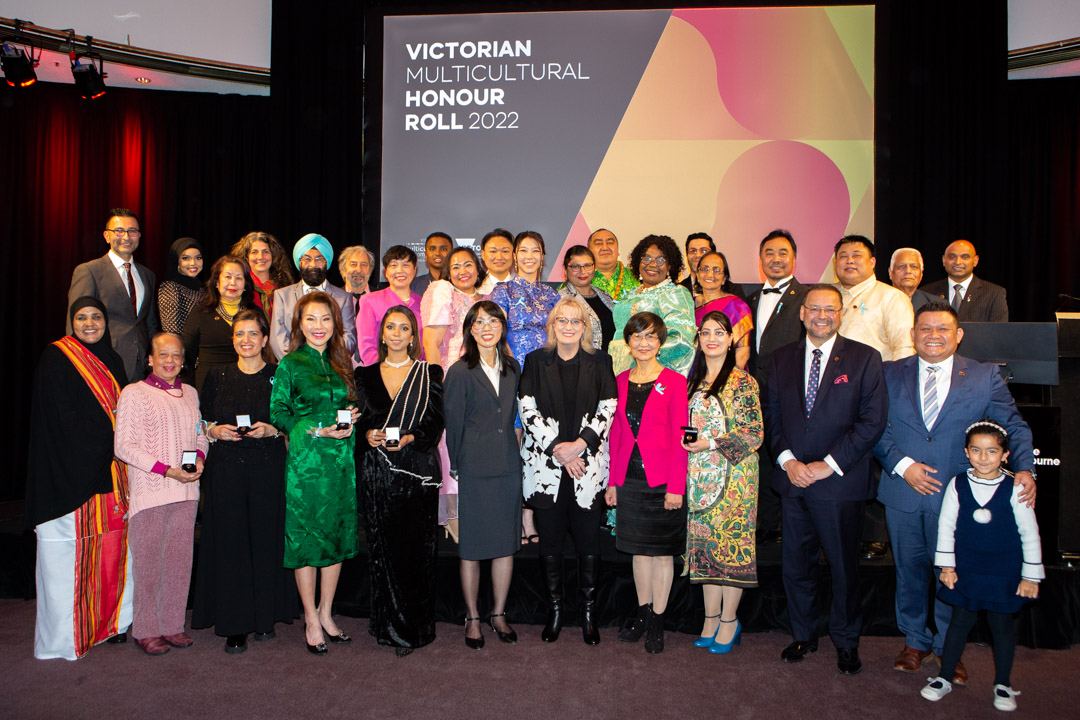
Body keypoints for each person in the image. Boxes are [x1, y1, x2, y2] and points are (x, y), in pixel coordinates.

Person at [873, 302, 1036, 683]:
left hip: (960, 498)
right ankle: (915, 641)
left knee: (952, 573)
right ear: (912, 335)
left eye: (942, 329)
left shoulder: (983, 376)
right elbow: (874, 427)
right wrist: (903, 466)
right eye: (925, 329)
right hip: (903, 491)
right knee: (909, 572)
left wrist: (1025, 467)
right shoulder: (888, 373)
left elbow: (1013, 423)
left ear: (958, 335)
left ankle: (950, 648)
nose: (933, 336)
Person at [764, 284, 888, 675]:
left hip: (840, 482)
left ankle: (847, 641)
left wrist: (827, 464)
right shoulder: (780, 358)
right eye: (814, 308)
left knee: (843, 568)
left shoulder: (866, 358)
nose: (822, 315)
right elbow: (772, 417)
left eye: (830, 309)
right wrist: (787, 461)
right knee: (796, 566)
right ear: (802, 313)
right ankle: (803, 634)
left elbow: (872, 423)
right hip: (794, 480)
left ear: (842, 313)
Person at [27, 297, 132, 660]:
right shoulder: (56, 358)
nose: (90, 323)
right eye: (82, 317)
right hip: (71, 478)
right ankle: (67, 638)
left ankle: (110, 625)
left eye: (97, 317)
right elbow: (60, 418)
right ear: (72, 321)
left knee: (113, 555)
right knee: (73, 561)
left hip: (110, 475)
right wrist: (113, 432)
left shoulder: (113, 358)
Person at [192, 309, 297, 655]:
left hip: (267, 467)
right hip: (226, 470)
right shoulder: (217, 375)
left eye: (253, 334)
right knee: (232, 544)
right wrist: (211, 430)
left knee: (265, 541)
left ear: (265, 340)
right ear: (232, 339)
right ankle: (235, 624)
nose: (246, 340)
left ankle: (264, 618)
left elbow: (292, 421)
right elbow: (199, 421)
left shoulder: (279, 374)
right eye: (240, 334)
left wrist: (274, 429)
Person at [920, 421, 1042, 712]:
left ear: (1005, 455)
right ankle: (945, 677)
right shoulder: (957, 484)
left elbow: (1029, 531)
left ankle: (1002, 683)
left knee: (1001, 627)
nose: (983, 457)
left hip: (1004, 571)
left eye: (991, 451)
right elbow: (946, 526)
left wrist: (1030, 576)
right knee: (959, 623)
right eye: (976, 450)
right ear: (967, 452)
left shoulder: (1015, 487)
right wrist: (947, 568)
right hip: (968, 568)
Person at [519, 298, 617, 645]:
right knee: (550, 543)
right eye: (562, 320)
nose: (569, 327)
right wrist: (560, 449)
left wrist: (580, 444)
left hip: (586, 469)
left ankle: (588, 613)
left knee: (589, 542)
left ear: (585, 327)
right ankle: (556, 610)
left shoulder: (599, 361)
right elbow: (526, 408)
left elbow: (609, 406)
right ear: (552, 325)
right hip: (546, 468)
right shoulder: (534, 360)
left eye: (576, 321)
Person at [269, 292, 360, 655]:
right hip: (306, 465)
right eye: (311, 319)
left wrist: (351, 419)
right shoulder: (290, 364)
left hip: (340, 462)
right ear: (299, 324)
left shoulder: (343, 361)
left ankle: (326, 612)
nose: (318, 326)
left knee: (336, 536)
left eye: (325, 319)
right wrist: (315, 427)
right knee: (306, 538)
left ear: (335, 323)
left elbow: (350, 403)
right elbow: (279, 413)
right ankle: (309, 616)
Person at [355, 307, 444, 657]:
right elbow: (359, 422)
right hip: (378, 473)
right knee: (382, 552)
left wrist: (408, 439)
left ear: (413, 336)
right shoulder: (364, 375)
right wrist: (370, 434)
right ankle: (385, 624)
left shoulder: (429, 373)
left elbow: (436, 422)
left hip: (416, 473)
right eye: (390, 327)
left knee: (416, 552)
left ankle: (413, 629)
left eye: (403, 328)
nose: (396, 333)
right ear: (382, 334)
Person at [114, 333, 208, 656]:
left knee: (180, 562)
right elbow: (124, 447)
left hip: (187, 491)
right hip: (151, 491)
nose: (170, 361)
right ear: (150, 359)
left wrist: (199, 460)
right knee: (149, 562)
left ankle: (172, 625)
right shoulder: (134, 394)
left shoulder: (191, 394)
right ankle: (145, 629)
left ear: (184, 361)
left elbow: (201, 435)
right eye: (163, 355)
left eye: (176, 355)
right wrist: (166, 470)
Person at [606, 312, 689, 654]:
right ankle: (642, 615)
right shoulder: (621, 380)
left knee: (662, 554)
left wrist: (676, 487)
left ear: (661, 342)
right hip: (629, 478)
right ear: (628, 342)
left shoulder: (675, 381)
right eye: (637, 337)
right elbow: (615, 435)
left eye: (651, 337)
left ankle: (658, 620)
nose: (643, 343)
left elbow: (681, 437)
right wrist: (612, 481)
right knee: (639, 552)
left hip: (662, 480)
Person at [682, 310, 763, 653]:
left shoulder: (743, 381)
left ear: (731, 339)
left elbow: (754, 433)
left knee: (731, 549)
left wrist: (711, 443)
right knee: (703, 550)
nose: (712, 338)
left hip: (736, 478)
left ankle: (730, 620)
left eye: (719, 332)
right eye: (706, 333)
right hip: (699, 478)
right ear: (698, 339)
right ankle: (710, 618)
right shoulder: (691, 380)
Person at [444, 302, 522, 650]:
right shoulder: (460, 371)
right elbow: (454, 425)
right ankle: (473, 616)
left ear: (502, 327)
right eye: (479, 322)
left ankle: (499, 614)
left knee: (505, 545)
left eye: (493, 321)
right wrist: (457, 468)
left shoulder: (514, 368)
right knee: (472, 547)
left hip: (507, 466)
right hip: (473, 468)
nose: (486, 327)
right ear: (470, 330)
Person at [748, 230, 809, 544]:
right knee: (761, 459)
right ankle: (765, 523)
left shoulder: (806, 299)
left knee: (786, 455)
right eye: (769, 253)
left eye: (782, 252)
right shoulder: (753, 298)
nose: (775, 258)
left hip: (789, 393)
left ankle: (787, 527)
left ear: (794, 259)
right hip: (756, 394)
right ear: (760, 260)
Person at [421, 245, 486, 539]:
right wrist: (440, 386)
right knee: (450, 451)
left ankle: (474, 513)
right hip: (453, 381)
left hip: (483, 384)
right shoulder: (443, 291)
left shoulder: (487, 299)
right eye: (456, 266)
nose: (462, 271)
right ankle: (452, 519)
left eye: (468, 264)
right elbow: (431, 342)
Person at [67, 208, 159, 382]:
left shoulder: (148, 275)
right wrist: (78, 364)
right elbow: (75, 323)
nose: (126, 237)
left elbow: (150, 323)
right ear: (106, 236)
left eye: (132, 231)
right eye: (119, 231)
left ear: (139, 236)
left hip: (142, 370)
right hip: (102, 365)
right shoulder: (89, 271)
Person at [609, 235, 696, 375]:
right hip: (620, 371)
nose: (652, 264)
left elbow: (681, 339)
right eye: (646, 258)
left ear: (670, 266)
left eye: (660, 260)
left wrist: (642, 355)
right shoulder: (631, 293)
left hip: (651, 373)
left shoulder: (674, 293)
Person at [270, 233, 357, 361]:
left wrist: (324, 363)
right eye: (307, 259)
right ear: (299, 262)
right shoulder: (283, 295)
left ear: (326, 262)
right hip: (293, 370)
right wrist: (299, 365)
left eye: (319, 259)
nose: (313, 264)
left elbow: (349, 338)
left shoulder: (343, 298)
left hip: (330, 369)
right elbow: (277, 339)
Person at [833, 235, 915, 361]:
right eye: (843, 256)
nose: (849, 260)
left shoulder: (892, 297)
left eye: (856, 255)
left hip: (874, 378)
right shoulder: (825, 295)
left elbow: (904, 348)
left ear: (872, 262)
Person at [182, 255, 253, 393]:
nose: (233, 282)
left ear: (245, 284)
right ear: (216, 282)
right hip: (209, 388)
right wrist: (187, 393)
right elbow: (186, 358)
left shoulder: (254, 314)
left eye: (239, 278)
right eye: (227, 277)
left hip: (247, 387)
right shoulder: (200, 313)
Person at [491, 230, 561, 364]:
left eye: (535, 251)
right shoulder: (503, 292)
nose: (530, 256)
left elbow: (560, 333)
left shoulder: (552, 294)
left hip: (548, 365)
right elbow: (497, 333)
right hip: (514, 365)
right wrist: (512, 367)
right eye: (523, 250)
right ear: (514, 256)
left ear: (542, 257)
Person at [357, 245, 423, 366]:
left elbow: (425, 346)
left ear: (415, 269)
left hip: (416, 373)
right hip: (382, 374)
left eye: (406, 265)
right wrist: (390, 370)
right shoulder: (370, 301)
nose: (400, 270)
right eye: (394, 265)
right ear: (386, 271)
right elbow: (367, 347)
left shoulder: (423, 303)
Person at [921, 239, 1009, 322]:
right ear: (944, 260)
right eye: (952, 257)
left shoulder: (994, 293)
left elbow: (998, 333)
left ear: (975, 261)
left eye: (965, 257)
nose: (958, 262)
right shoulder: (926, 292)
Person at [694, 251, 753, 369]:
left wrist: (724, 382)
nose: (710, 275)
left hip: (727, 377)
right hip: (692, 375)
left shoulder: (737, 306)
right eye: (705, 269)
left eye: (716, 270)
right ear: (698, 275)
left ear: (724, 278)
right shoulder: (688, 304)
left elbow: (742, 353)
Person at [558, 245, 615, 352]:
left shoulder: (606, 297)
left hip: (609, 364)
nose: (582, 271)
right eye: (575, 266)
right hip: (581, 364)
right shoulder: (560, 299)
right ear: (565, 269)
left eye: (587, 265)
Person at [231, 231, 295, 321]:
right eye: (254, 252)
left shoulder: (285, 286)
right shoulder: (240, 286)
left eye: (265, 252)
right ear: (246, 257)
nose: (260, 257)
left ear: (273, 255)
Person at [157, 237, 205, 335]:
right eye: (186, 258)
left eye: (198, 258)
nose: (193, 263)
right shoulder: (170, 287)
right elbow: (171, 331)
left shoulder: (203, 289)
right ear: (177, 261)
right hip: (183, 347)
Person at [588, 228, 639, 300]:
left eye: (610, 243)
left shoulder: (636, 276)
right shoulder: (581, 280)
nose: (605, 248)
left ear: (618, 250)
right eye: (599, 243)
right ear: (589, 252)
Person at [888, 248, 936, 312]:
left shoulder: (936, 305)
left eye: (914, 266)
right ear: (890, 273)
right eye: (901, 266)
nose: (908, 271)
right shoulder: (877, 301)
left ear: (921, 273)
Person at [412, 231, 454, 296]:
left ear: (452, 253)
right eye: (432, 249)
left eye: (443, 249)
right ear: (426, 255)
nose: (437, 253)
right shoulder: (414, 285)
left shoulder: (459, 283)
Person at [476, 228, 516, 295]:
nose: (499, 257)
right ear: (483, 254)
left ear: (514, 254)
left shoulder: (523, 288)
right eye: (493, 251)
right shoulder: (475, 288)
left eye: (505, 251)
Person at [338, 245, 376, 313]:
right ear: (343, 270)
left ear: (370, 270)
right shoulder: (334, 299)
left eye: (364, 264)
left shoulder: (381, 298)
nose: (359, 270)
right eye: (353, 264)